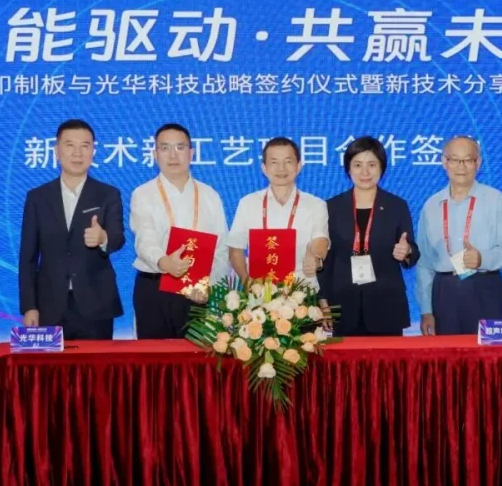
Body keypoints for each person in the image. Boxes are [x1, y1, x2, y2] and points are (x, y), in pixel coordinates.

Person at [19, 119, 125, 339]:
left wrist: (103, 238)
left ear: (93, 152)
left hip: (96, 305)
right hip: (49, 305)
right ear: (57, 151)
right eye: (70, 145)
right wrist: (29, 306)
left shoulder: (108, 194)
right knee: (50, 363)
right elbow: (28, 257)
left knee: (96, 363)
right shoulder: (37, 198)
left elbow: (117, 238)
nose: (78, 153)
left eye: (85, 146)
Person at [129, 123, 229, 339]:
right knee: (154, 357)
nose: (173, 155)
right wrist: (164, 262)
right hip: (155, 287)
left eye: (180, 147)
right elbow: (144, 238)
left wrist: (209, 285)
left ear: (191, 153)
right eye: (165, 148)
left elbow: (222, 247)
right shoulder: (142, 193)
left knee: (196, 357)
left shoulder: (209, 195)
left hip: (197, 291)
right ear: (155, 154)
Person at [416, 135, 502, 335]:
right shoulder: (431, 206)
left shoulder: (495, 199)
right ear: (444, 162)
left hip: (485, 289)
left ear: (478, 163)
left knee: (489, 354)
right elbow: (424, 263)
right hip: (444, 293)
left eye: (468, 160)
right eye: (454, 159)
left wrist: (481, 259)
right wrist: (426, 310)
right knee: (447, 353)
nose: (461, 166)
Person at [317, 137, 419, 337]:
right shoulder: (331, 207)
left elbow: (412, 251)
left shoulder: (397, 206)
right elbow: (326, 261)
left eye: (372, 165)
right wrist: (322, 301)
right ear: (348, 169)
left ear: (382, 168)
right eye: (358, 165)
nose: (365, 172)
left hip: (386, 305)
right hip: (343, 304)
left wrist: (407, 252)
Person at [227, 137, 329, 289]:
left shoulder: (316, 204)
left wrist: (316, 258)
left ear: (299, 166)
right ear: (264, 168)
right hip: (259, 294)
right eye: (274, 162)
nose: (281, 168)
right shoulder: (248, 203)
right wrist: (246, 282)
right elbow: (235, 249)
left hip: (302, 294)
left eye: (288, 161)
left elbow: (321, 240)